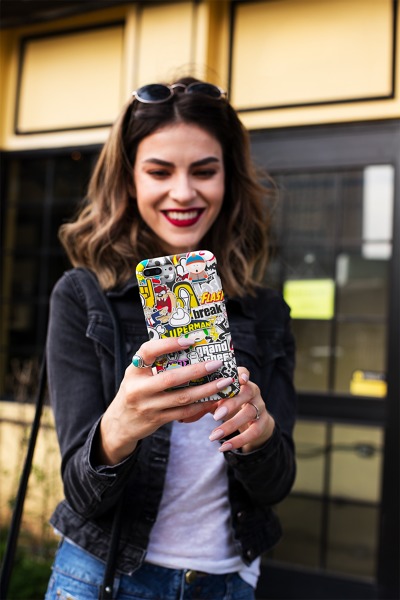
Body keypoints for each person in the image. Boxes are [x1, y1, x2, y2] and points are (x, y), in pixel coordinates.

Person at [45, 76, 297, 600]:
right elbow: (81, 494)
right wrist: (120, 426)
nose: (183, 192)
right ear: (129, 179)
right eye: (159, 171)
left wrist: (260, 434)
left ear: (229, 178)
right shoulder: (83, 296)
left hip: (226, 582)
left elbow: (277, 486)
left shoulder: (266, 309)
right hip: (101, 578)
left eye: (204, 171)